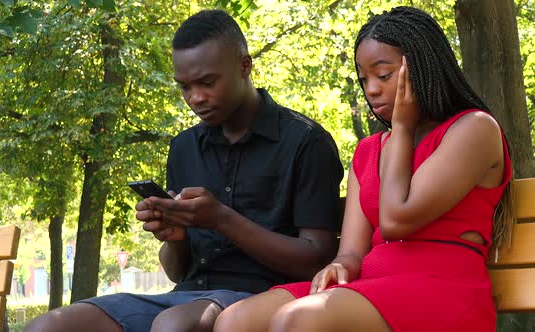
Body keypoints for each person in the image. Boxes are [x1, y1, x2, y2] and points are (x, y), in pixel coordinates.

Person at [25, 9, 343, 332]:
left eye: (207, 82)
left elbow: (318, 260)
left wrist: (220, 218)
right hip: (187, 296)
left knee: (172, 325)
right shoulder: (184, 148)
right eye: (184, 87)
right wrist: (175, 239)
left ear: (245, 66)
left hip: (263, 299)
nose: (196, 98)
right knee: (50, 326)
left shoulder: (305, 141)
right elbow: (178, 272)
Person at [214, 6, 513, 332]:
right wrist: (341, 265)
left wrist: (401, 129)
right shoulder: (369, 151)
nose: (371, 89)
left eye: (383, 75)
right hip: (372, 286)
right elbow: (353, 251)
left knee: (298, 319)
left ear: (423, 67)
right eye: (363, 78)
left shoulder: (474, 129)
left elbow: (397, 219)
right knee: (235, 321)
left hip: (444, 290)